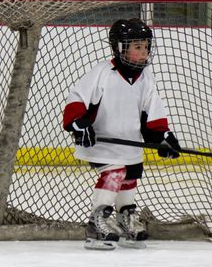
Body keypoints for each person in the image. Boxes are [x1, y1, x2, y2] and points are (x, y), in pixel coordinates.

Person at [63, 18, 181, 250]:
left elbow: (152, 113)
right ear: (120, 48)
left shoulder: (146, 78)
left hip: (129, 144)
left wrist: (163, 137)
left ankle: (125, 218)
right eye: (138, 47)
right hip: (99, 141)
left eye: (146, 46)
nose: (144, 52)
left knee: (130, 176)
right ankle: (97, 222)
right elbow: (77, 97)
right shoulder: (102, 72)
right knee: (114, 172)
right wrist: (78, 123)